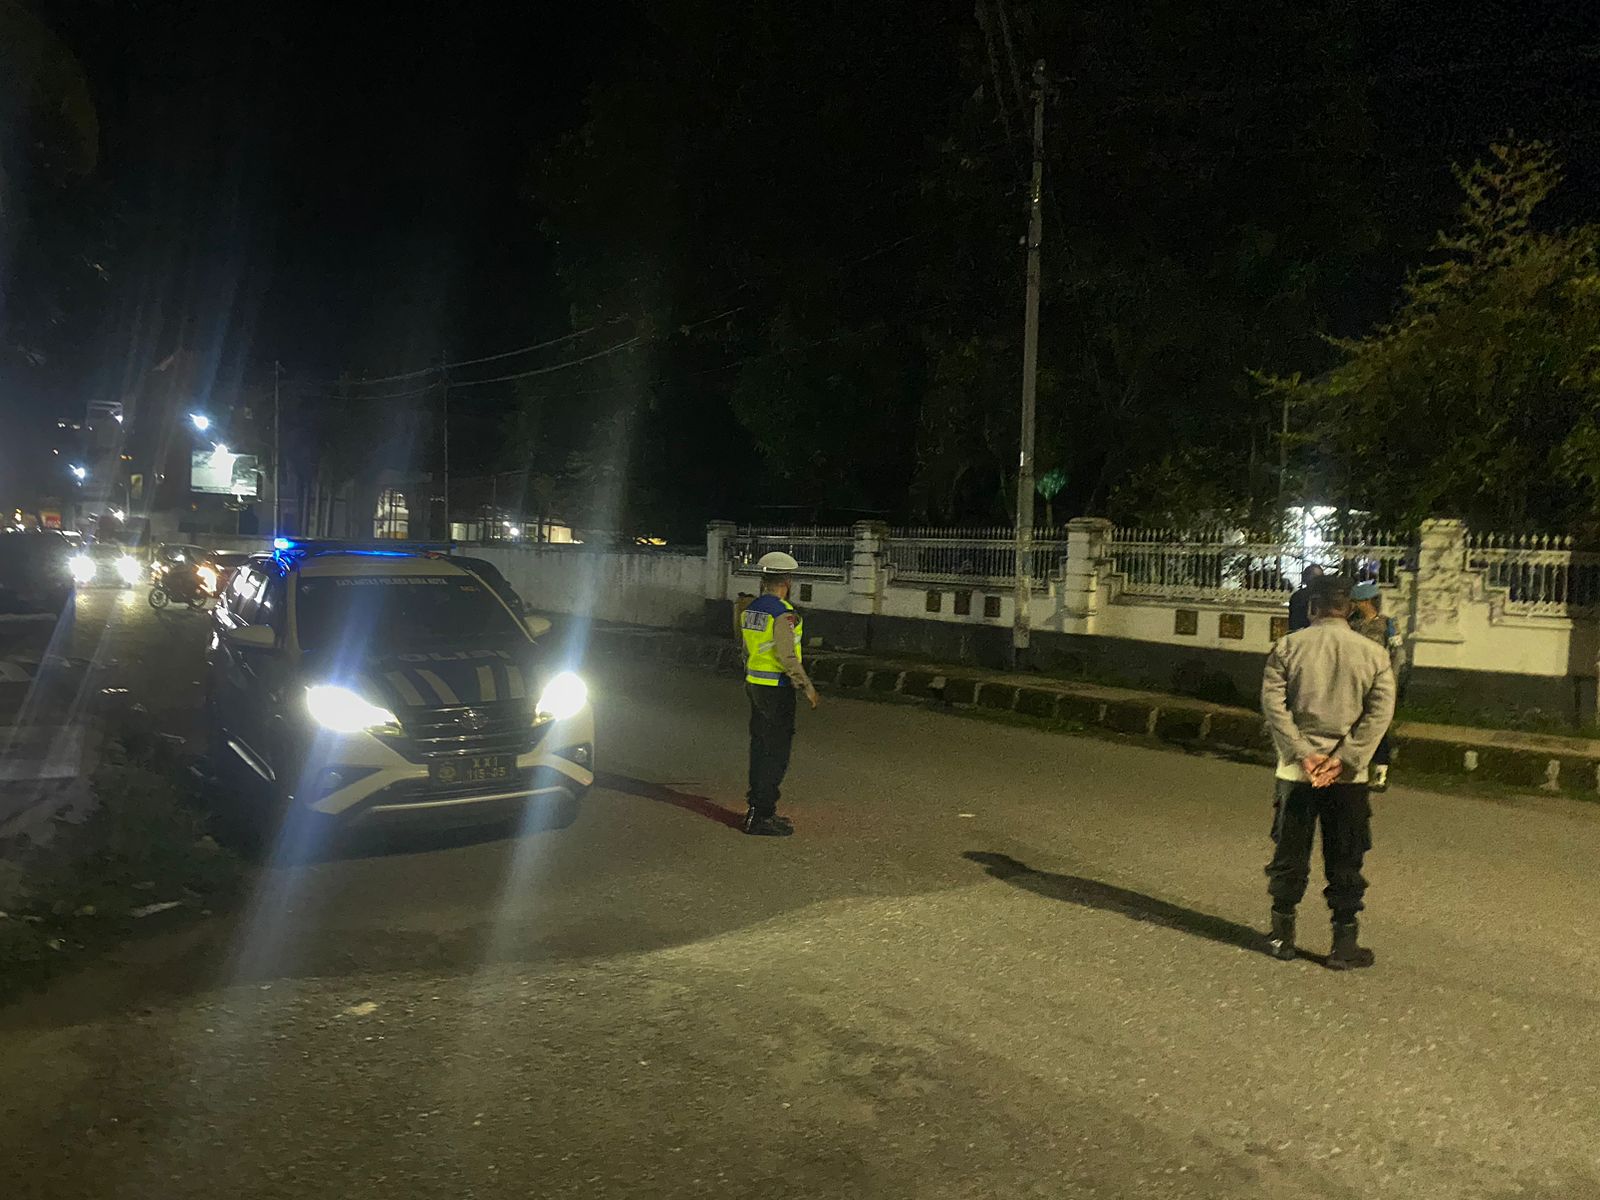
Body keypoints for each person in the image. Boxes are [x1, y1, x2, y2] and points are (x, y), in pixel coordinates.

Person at [1260, 574, 1396, 969]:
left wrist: (1303, 754)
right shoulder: (1373, 654)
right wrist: (1346, 757)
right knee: (1346, 855)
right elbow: (1380, 713)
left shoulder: (1287, 647)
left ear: (1311, 607)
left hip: (1297, 773)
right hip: (1347, 777)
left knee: (1289, 851)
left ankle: (1282, 936)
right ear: (1349, 608)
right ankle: (1343, 943)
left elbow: (1273, 706)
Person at [738, 552, 819, 836]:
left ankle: (757, 810)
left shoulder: (750, 609)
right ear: (787, 582)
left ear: (764, 580)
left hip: (755, 684)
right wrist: (806, 685)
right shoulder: (783, 613)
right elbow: (787, 655)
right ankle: (762, 815)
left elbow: (746, 648)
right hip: (776, 689)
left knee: (760, 748)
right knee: (775, 753)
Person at [1348, 580, 1403, 791]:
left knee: (1379, 727)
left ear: (1367, 602)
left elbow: (1398, 653)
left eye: (1357, 601)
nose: (1354, 605)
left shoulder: (1388, 624)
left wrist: (1392, 679)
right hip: (1354, 683)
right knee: (1354, 726)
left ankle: (1381, 773)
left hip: (1378, 683)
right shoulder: (1351, 624)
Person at [1286, 563, 1324, 632]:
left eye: (1320, 577)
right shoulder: (1298, 596)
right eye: (1314, 577)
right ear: (1307, 578)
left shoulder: (1326, 596)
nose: (1318, 580)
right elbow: (1294, 620)